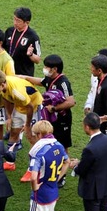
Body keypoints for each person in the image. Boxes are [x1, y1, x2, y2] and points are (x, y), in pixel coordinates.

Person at [20, 54, 75, 186]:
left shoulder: (63, 82)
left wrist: (54, 108)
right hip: (51, 119)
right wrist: (24, 77)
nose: (44, 69)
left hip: (62, 120)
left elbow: (71, 102)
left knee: (62, 146)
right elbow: (41, 81)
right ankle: (50, 169)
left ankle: (62, 176)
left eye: (46, 67)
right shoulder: (50, 78)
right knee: (49, 142)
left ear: (54, 69)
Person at [25, 121, 69, 211]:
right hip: (53, 190)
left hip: (41, 194)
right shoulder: (58, 145)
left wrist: (35, 187)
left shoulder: (38, 151)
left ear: (39, 134)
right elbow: (67, 162)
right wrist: (58, 178)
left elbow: (33, 177)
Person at [0, 71, 42, 173]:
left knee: (32, 137)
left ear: (2, 85)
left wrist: (27, 125)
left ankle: (32, 169)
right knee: (14, 132)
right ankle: (10, 162)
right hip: (20, 106)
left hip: (33, 107)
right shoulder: (3, 85)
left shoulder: (17, 92)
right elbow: (6, 98)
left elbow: (30, 107)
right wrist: (9, 116)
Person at [2, 7, 41, 76]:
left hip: (23, 76)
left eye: (18, 21)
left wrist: (31, 54)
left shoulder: (33, 37)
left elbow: (38, 60)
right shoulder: (9, 31)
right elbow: (2, 47)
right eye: (14, 19)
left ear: (27, 22)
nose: (15, 23)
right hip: (8, 72)